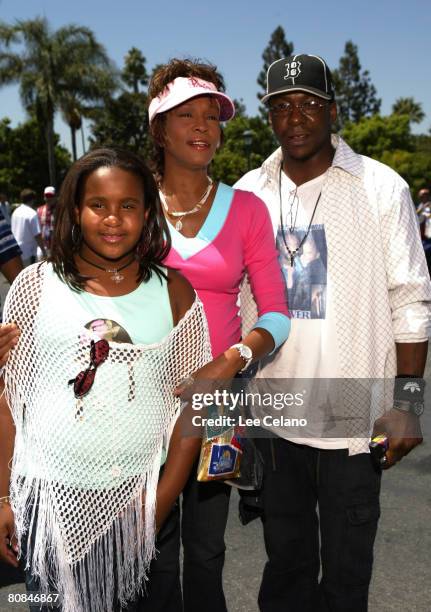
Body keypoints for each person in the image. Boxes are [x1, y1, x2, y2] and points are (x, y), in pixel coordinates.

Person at [235, 54, 431, 611]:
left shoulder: (380, 187)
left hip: (356, 416)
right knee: (286, 572)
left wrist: (408, 404)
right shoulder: (248, 192)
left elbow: (412, 299)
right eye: (282, 106)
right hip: (276, 414)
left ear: (333, 111)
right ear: (269, 115)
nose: (296, 118)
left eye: (309, 104)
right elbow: (231, 300)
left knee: (346, 579)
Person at [0, 147, 213, 612]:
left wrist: (157, 507)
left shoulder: (174, 292)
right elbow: (8, 401)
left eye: (128, 205)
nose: (113, 218)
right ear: (76, 210)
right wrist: (1, 499)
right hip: (50, 505)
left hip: (141, 504)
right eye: (98, 205)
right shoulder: (35, 286)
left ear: (147, 212)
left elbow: (192, 409)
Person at [148, 58, 290, 611]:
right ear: (159, 127)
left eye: (213, 116)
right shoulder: (131, 206)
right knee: (150, 543)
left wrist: (229, 360)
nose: (205, 127)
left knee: (206, 548)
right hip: (139, 396)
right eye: (188, 115)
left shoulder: (248, 209)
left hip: (217, 401)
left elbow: (276, 314)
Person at [10, 188, 47, 265]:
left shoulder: (15, 212)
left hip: (16, 252)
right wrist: (44, 251)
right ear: (33, 200)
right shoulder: (32, 214)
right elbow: (37, 235)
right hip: (28, 252)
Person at [37, 185, 57, 258]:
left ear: (55, 197)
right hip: (44, 247)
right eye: (46, 196)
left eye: (50, 196)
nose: (48, 199)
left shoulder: (60, 210)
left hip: (56, 247)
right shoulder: (39, 210)